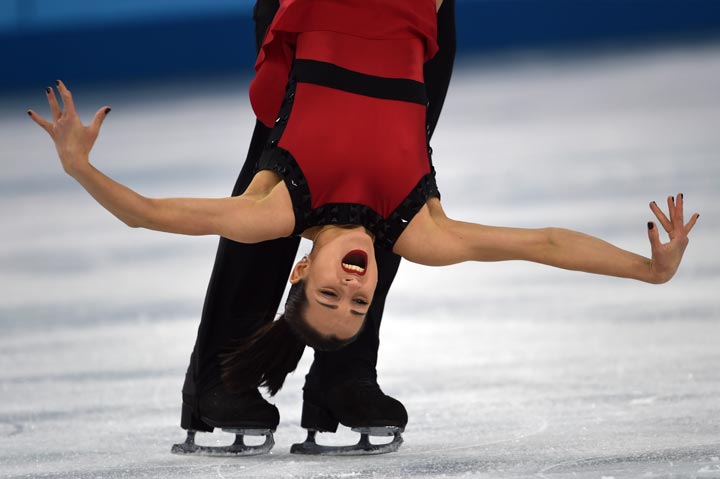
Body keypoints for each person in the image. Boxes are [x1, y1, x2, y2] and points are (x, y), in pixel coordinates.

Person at [29, 0, 698, 456]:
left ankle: (309, 378)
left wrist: (78, 166)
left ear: (304, 269)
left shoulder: (277, 206)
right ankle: (251, 381)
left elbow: (151, 214)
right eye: (359, 301)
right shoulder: (417, 227)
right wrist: (648, 269)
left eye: (329, 295)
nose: (353, 285)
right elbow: (544, 243)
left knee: (269, 115)